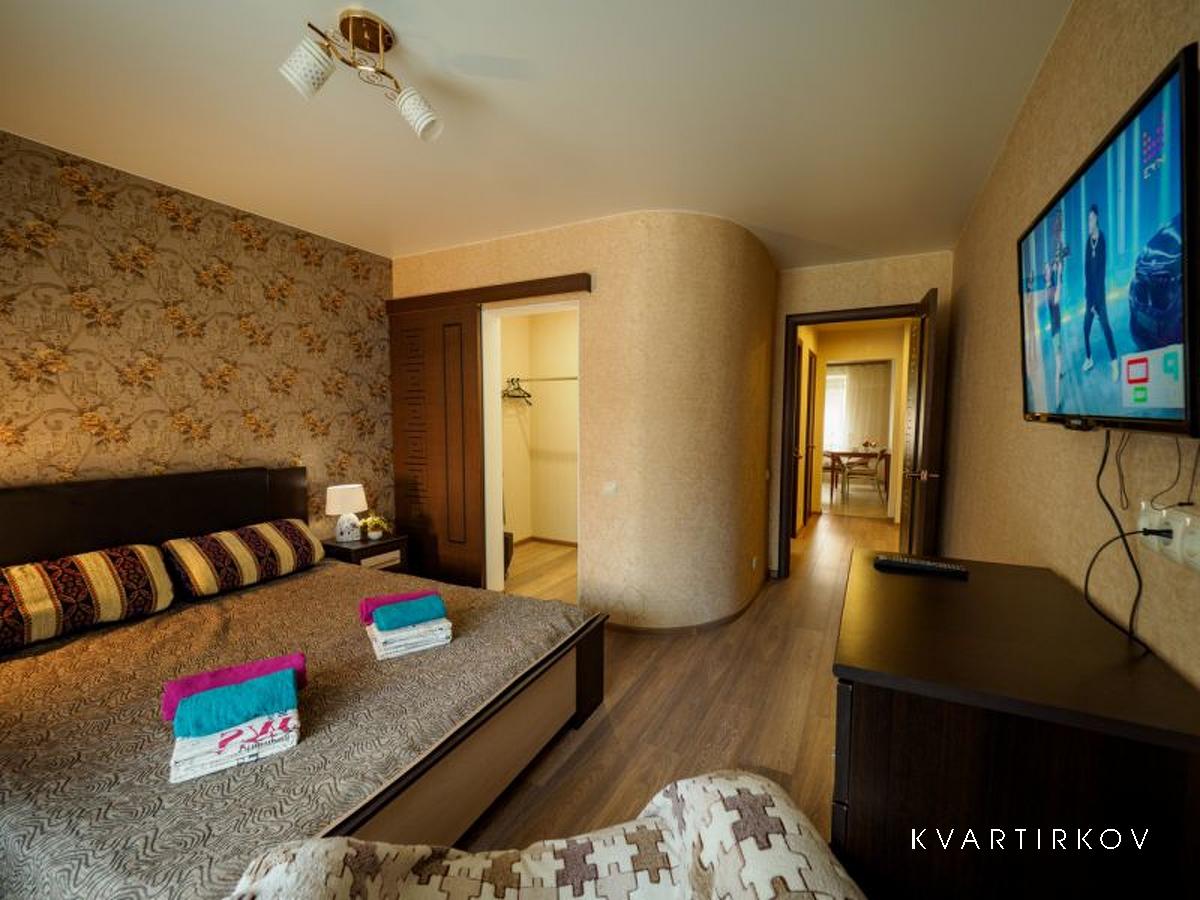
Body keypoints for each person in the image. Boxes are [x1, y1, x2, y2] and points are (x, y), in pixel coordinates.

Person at [1082, 204, 1119, 381]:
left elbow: (1100, 273)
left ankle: (1114, 362)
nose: (1088, 222)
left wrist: (1097, 303)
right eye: (1088, 219)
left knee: (1106, 328)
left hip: (1100, 296)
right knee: (1085, 328)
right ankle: (1089, 359)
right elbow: (1087, 272)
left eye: (1090, 219)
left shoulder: (1101, 240)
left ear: (1096, 218)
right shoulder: (1088, 242)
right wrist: (1089, 300)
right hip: (1090, 296)